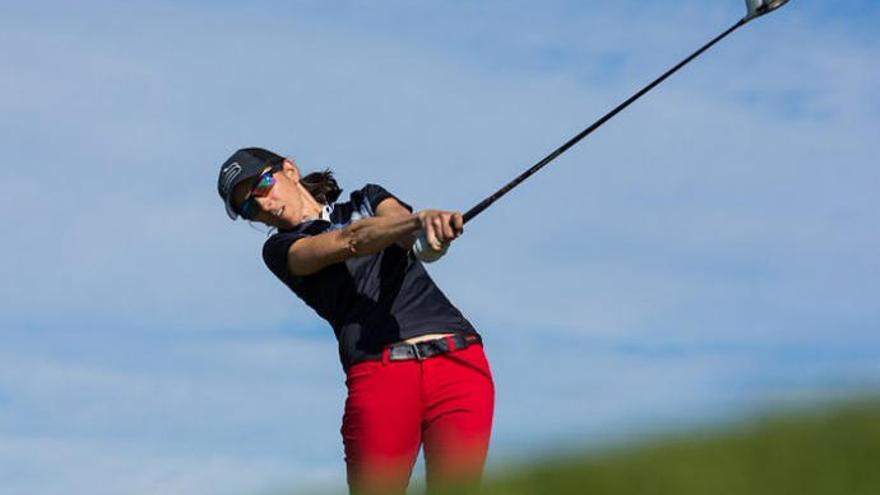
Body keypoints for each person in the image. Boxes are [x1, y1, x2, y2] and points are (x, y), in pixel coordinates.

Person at [217, 147, 495, 494]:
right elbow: (349, 240)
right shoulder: (280, 249)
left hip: (458, 361)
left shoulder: (368, 198)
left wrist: (432, 238)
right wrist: (418, 221)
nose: (263, 205)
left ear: (289, 169)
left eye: (262, 186)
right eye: (248, 207)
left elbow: (412, 239)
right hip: (380, 375)